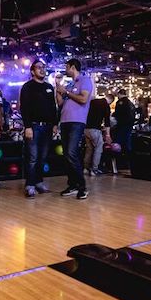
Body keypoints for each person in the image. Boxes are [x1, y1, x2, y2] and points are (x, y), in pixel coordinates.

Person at [20, 60, 58, 198]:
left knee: (42, 158)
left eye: (44, 67)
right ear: (32, 71)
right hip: (34, 126)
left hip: (48, 127)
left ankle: (38, 182)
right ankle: (30, 185)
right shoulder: (27, 87)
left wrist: (55, 123)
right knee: (32, 157)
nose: (42, 69)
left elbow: (53, 106)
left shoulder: (49, 87)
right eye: (39, 67)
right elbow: (24, 107)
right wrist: (28, 126)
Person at [56, 58, 93, 200]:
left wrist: (66, 92)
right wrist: (58, 89)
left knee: (71, 153)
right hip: (65, 122)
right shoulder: (70, 84)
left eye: (66, 67)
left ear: (72, 67)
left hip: (77, 122)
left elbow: (83, 99)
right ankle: (72, 185)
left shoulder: (85, 80)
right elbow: (60, 103)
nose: (65, 69)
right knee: (67, 155)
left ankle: (82, 187)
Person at [84, 93, 114, 177]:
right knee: (98, 149)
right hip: (95, 129)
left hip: (85, 128)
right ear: (110, 100)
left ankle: (85, 168)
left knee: (89, 149)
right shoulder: (106, 106)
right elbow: (107, 122)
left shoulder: (93, 101)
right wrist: (108, 135)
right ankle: (94, 169)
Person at [112, 89, 135, 154]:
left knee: (118, 142)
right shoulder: (130, 103)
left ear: (119, 94)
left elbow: (117, 113)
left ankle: (118, 156)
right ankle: (128, 156)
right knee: (127, 140)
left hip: (122, 124)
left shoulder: (120, 102)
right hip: (130, 125)